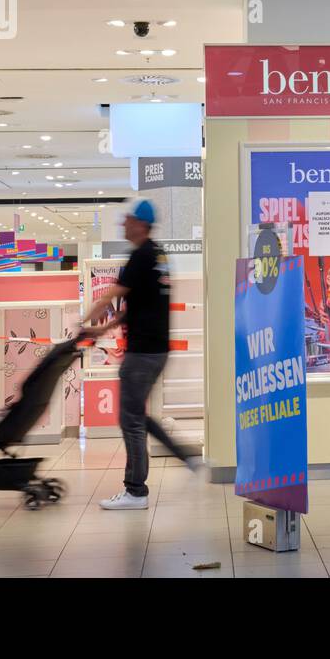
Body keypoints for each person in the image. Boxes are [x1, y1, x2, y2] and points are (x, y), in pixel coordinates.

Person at [82, 199, 195, 510]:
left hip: (142, 354)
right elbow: (139, 307)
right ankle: (185, 455)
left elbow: (110, 296)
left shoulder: (140, 256)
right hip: (156, 351)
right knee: (138, 416)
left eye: (128, 220)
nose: (123, 225)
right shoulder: (158, 255)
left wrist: (83, 322)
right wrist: (99, 330)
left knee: (130, 420)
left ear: (142, 224)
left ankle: (136, 491)